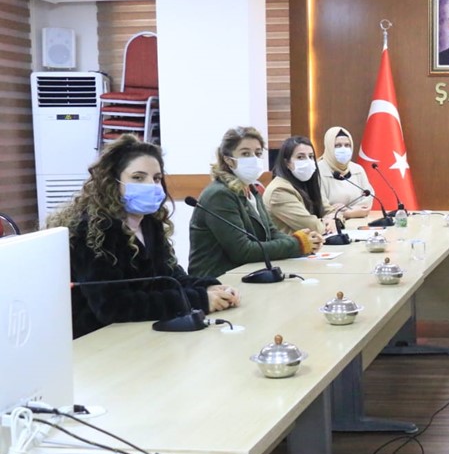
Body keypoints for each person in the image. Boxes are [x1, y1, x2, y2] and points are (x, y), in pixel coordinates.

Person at [48, 135, 239, 338]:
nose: (151, 185)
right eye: (138, 178)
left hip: (139, 333)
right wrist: (198, 300)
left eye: (156, 178)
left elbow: (169, 277)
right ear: (112, 182)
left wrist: (209, 286)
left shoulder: (149, 222)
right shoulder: (91, 230)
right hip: (97, 341)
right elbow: (112, 306)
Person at [189, 126, 321, 279]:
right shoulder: (219, 195)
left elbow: (271, 232)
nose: (254, 158)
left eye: (258, 153)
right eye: (245, 153)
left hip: (250, 271)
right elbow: (242, 251)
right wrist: (297, 244)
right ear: (228, 159)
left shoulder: (251, 189)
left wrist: (306, 242)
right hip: (217, 279)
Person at [263, 135, 338, 236]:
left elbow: (332, 212)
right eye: (300, 157)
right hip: (292, 245)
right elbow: (313, 227)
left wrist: (333, 220)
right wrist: (327, 222)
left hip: (315, 242)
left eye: (311, 156)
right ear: (287, 163)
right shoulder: (279, 190)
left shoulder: (306, 183)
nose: (308, 162)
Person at [317, 126, 374, 222]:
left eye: (347, 145)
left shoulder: (357, 169)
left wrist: (345, 212)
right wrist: (354, 211)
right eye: (338, 145)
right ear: (329, 147)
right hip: (332, 224)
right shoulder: (318, 170)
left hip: (359, 223)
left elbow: (367, 203)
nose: (343, 149)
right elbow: (322, 207)